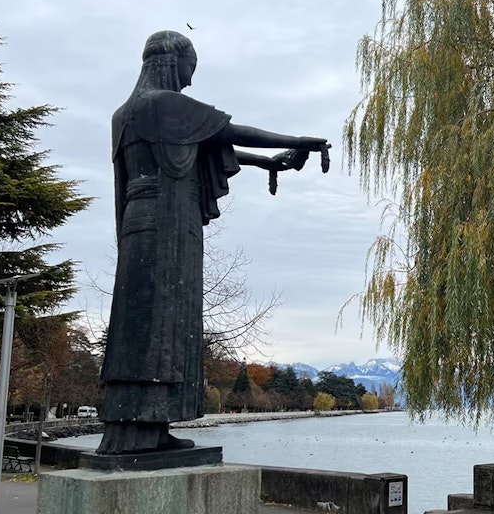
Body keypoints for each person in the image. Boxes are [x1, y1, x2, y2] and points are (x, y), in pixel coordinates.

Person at [97, 30, 330, 454]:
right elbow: (230, 130)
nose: (190, 79)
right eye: (190, 67)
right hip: (168, 221)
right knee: (163, 319)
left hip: (141, 220)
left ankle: (145, 428)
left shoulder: (125, 113)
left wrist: (264, 163)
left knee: (144, 319)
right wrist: (297, 140)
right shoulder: (162, 103)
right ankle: (139, 429)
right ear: (172, 61)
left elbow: (205, 143)